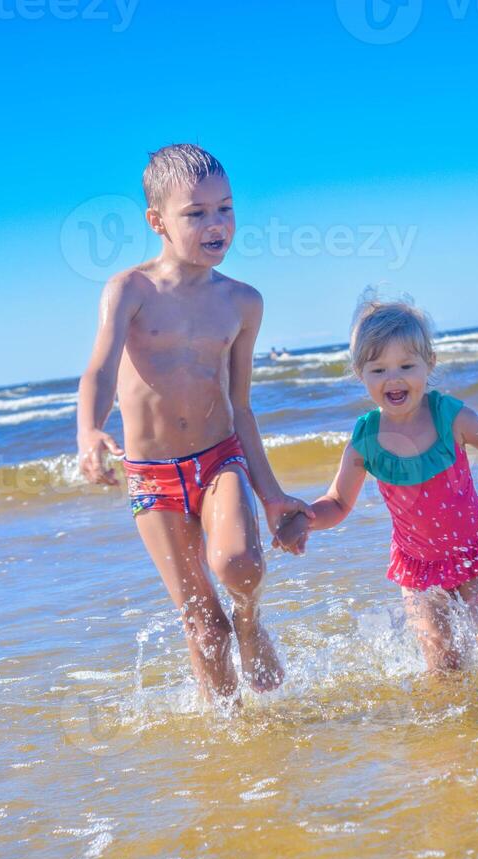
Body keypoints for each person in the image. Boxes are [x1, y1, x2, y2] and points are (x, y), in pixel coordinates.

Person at [77, 143, 311, 704]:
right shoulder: (130, 290)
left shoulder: (242, 303)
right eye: (196, 213)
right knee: (204, 626)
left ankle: (251, 620)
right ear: (157, 221)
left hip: (219, 457)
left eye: (225, 208)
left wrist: (272, 494)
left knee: (239, 565)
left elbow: (242, 406)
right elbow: (99, 370)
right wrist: (88, 429)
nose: (217, 224)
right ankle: (232, 746)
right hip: (152, 478)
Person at [273, 297, 478, 674]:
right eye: (378, 369)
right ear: (360, 373)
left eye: (406, 365)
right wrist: (307, 519)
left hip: (475, 557)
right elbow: (338, 501)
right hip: (419, 571)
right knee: (444, 669)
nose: (394, 378)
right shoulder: (366, 440)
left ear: (429, 364)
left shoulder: (449, 417)